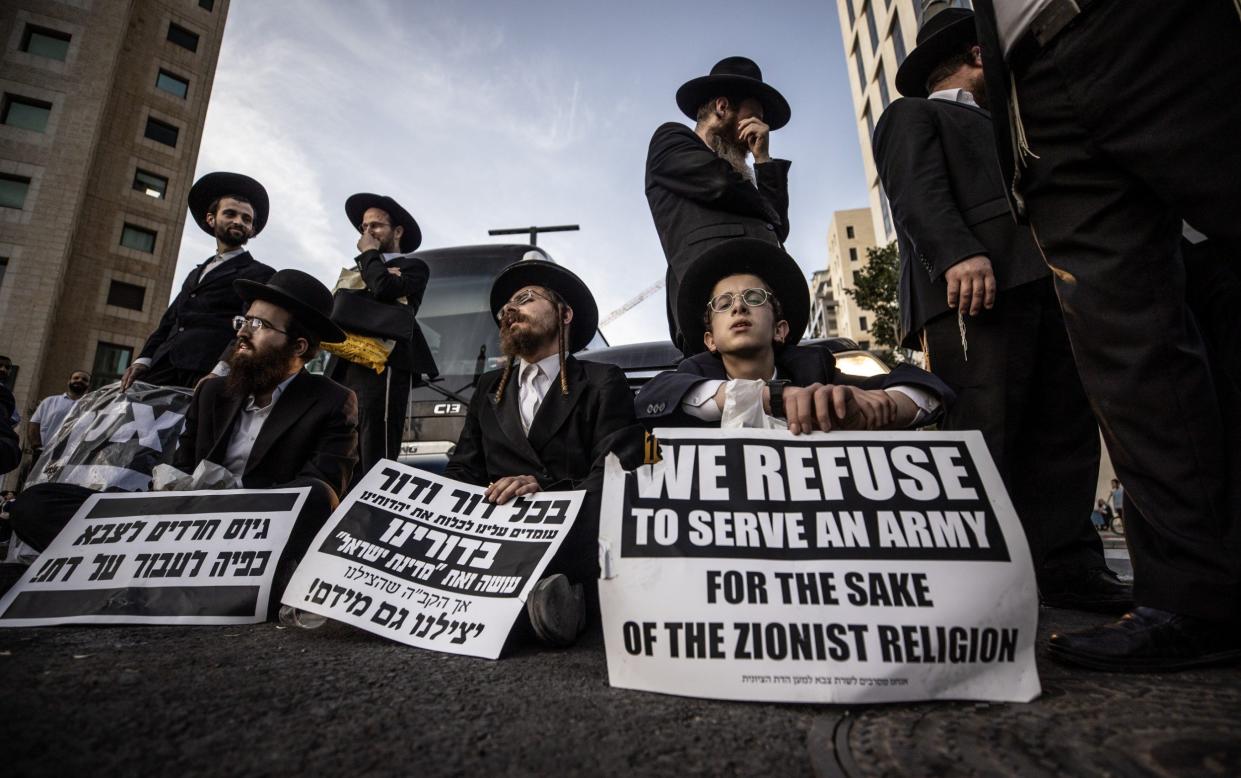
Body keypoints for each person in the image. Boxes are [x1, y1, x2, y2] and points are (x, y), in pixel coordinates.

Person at [972, 0, 1241, 670]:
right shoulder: (659, 412)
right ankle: (1194, 598)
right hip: (1031, 86)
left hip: (1137, 22)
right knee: (1127, 352)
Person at [872, 4, 1127, 614]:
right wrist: (958, 252)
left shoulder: (1014, 123)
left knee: (1064, 429)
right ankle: (979, 570)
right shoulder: (913, 113)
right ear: (980, 55)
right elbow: (914, 191)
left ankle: (1068, 565)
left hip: (1048, 284)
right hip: (972, 291)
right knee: (984, 431)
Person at [443, 259, 641, 647]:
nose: (510, 309)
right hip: (493, 539)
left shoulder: (603, 381)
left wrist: (544, 493)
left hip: (567, 539)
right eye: (506, 308)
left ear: (564, 314)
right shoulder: (486, 389)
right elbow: (463, 471)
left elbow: (615, 472)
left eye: (526, 298)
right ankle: (542, 606)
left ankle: (553, 601)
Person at [635, 239, 952, 431]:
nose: (739, 308)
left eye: (755, 298)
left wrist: (882, 405)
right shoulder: (694, 375)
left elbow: (929, 390)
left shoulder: (815, 370)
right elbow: (651, 399)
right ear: (710, 341)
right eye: (723, 303)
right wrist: (768, 397)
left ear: (780, 329)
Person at [646, 56, 792, 353]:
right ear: (723, 107)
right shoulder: (672, 140)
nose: (759, 128)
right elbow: (720, 185)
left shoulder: (745, 183)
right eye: (752, 116)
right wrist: (763, 196)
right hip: (710, 313)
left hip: (763, 315)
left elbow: (777, 227)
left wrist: (763, 161)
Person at [122, 172, 276, 390]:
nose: (238, 222)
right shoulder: (195, 274)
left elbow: (250, 327)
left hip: (205, 374)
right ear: (211, 218)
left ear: (251, 230)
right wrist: (143, 360)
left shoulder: (260, 274)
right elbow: (170, 320)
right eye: (230, 213)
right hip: (161, 368)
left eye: (246, 219)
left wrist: (222, 369)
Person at [328, 193, 435, 492]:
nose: (367, 233)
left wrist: (369, 257)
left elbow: (385, 288)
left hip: (383, 369)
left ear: (397, 231)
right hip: (344, 366)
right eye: (363, 228)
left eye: (375, 226)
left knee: (374, 446)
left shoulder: (414, 267)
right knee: (338, 443)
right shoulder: (359, 269)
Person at [26, 371, 91, 459]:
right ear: (69, 381)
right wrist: (36, 447)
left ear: (88, 385)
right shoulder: (49, 401)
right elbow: (34, 424)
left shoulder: (92, 406)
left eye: (85, 380)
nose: (80, 380)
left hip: (73, 459)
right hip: (43, 455)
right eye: (76, 378)